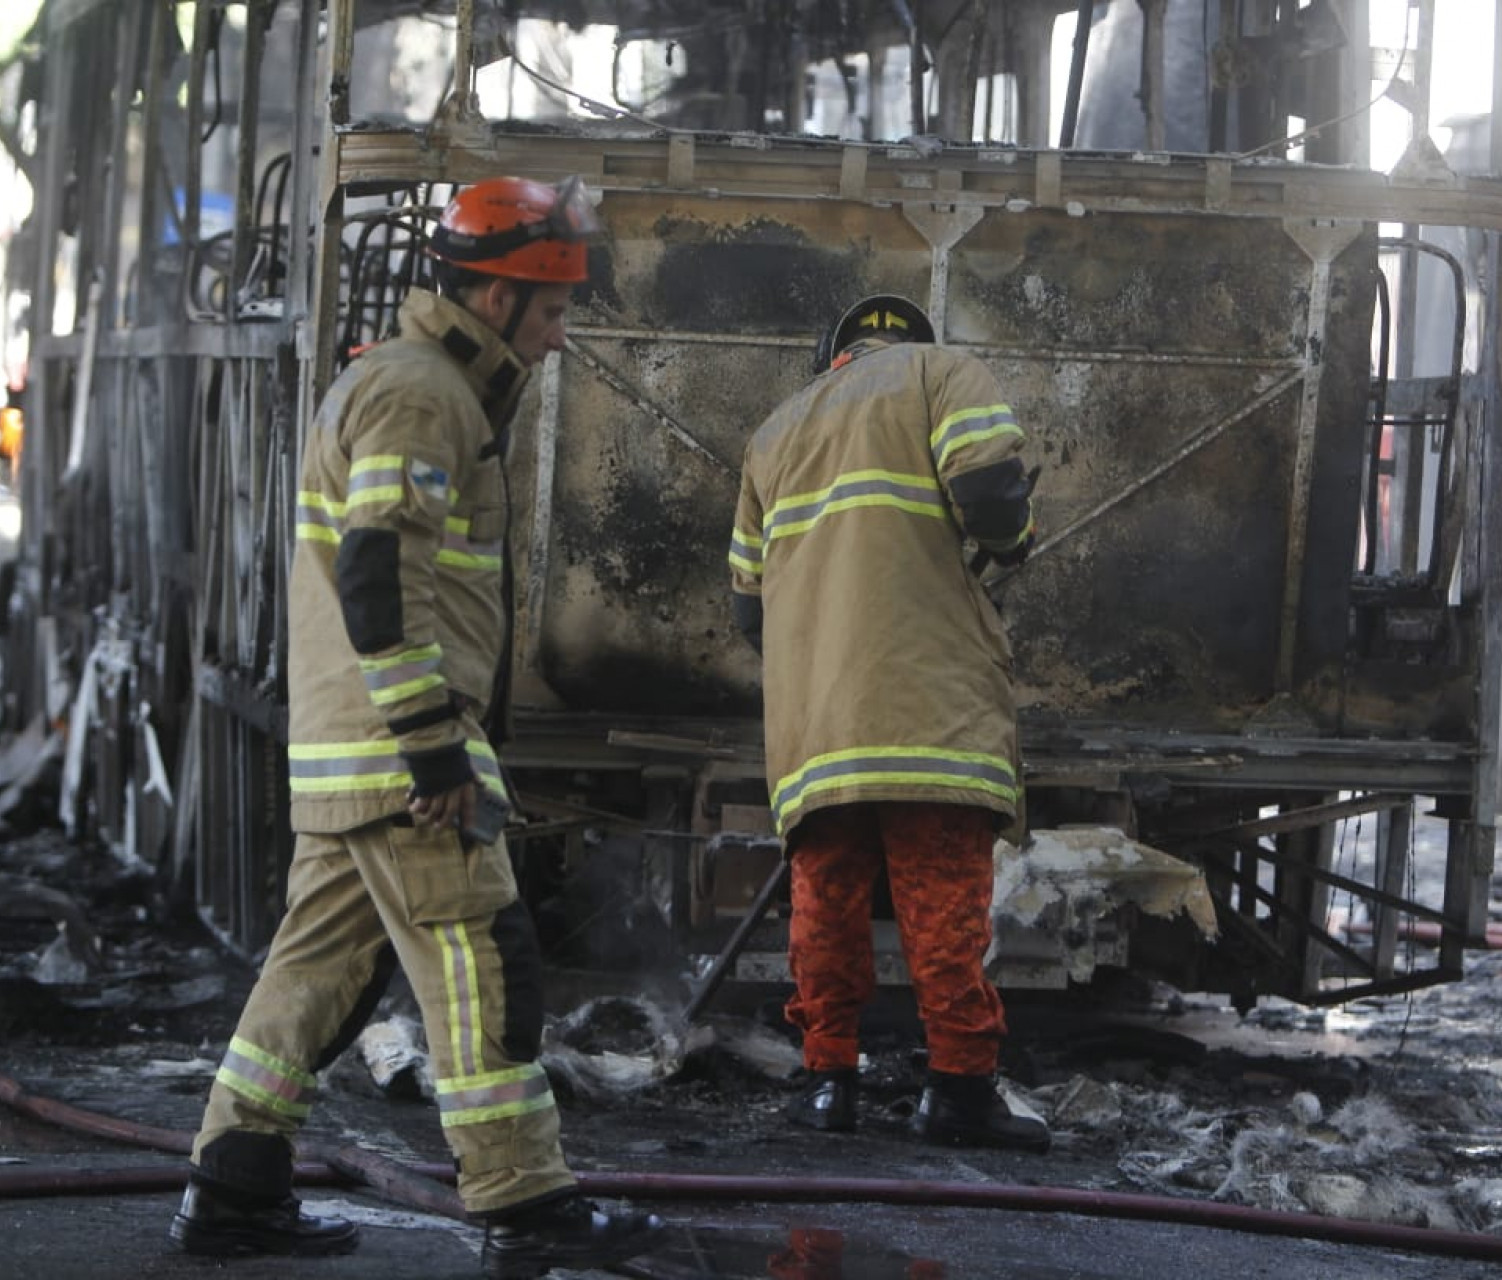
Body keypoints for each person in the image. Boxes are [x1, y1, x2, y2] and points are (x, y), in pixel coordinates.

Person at [169, 175, 665, 1278]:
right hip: (403, 752)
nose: (562, 327)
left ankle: (232, 1189)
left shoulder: (415, 385)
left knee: (313, 976)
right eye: (553, 306)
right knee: (483, 963)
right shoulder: (421, 391)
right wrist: (435, 745)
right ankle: (526, 1201)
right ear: (494, 300)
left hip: (356, 745)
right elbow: (379, 570)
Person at [728, 294, 1049, 1153]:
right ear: (910, 341)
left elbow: (748, 615)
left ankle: (828, 1082)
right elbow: (989, 494)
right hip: (927, 709)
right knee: (942, 907)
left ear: (835, 353)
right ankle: (958, 1092)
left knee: (824, 903)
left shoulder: (772, 433)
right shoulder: (944, 375)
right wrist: (1013, 539)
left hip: (818, 727)